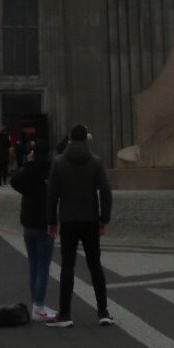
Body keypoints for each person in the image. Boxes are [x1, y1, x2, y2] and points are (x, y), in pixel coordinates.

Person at [45, 123, 114, 328]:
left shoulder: (59, 163)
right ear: (86, 139)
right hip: (90, 220)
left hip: (68, 221)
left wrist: (51, 221)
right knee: (95, 265)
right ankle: (103, 312)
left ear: (69, 139)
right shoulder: (96, 162)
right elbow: (106, 192)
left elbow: (52, 194)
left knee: (67, 266)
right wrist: (104, 219)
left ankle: (65, 314)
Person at [10, 137, 54, 320]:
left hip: (28, 221)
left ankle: (36, 303)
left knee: (34, 264)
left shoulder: (27, 170)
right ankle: (38, 305)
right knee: (43, 265)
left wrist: (27, 165)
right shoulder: (50, 170)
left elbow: (14, 181)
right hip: (44, 222)